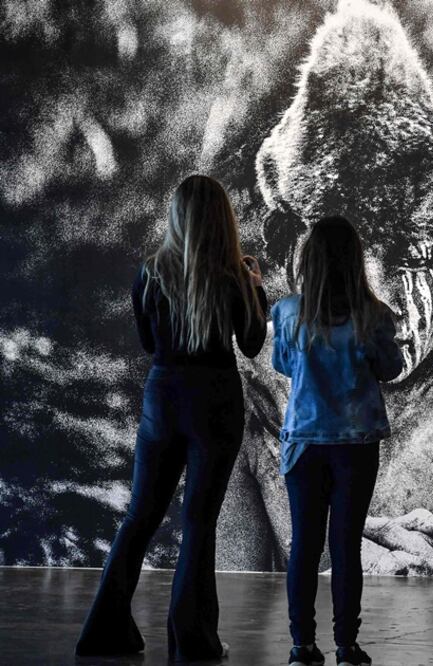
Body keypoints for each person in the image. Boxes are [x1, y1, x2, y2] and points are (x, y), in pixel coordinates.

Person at [76, 174, 267, 659]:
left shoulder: (150, 272)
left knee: (140, 514)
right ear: (223, 219)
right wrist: (257, 290)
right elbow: (251, 344)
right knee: (199, 522)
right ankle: (194, 641)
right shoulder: (235, 277)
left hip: (163, 397)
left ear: (176, 216)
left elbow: (147, 342)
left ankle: (103, 631)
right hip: (216, 402)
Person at [270, 216, 405, 666]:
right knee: (346, 544)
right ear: (356, 262)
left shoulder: (288, 312)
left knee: (304, 545)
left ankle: (300, 645)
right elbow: (391, 370)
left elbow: (284, 365)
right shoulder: (375, 315)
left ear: (307, 260)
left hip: (304, 443)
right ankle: (347, 646)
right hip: (357, 444)